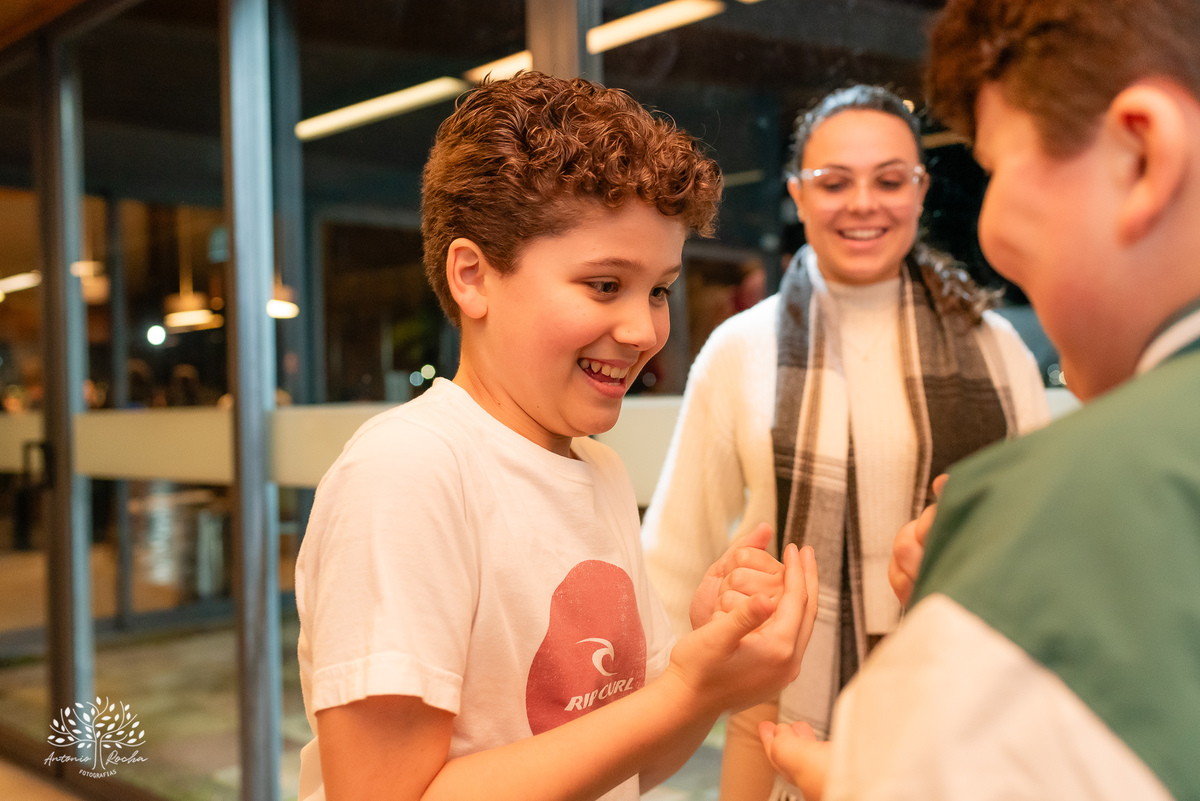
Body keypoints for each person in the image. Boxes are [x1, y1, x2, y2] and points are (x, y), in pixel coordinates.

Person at [294, 71, 821, 801]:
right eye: (605, 285)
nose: (643, 330)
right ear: (473, 276)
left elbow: (631, 763)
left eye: (659, 290)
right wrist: (686, 690)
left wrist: (705, 675)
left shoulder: (598, 471)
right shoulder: (408, 472)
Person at [759, 1, 1200, 799]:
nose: (990, 227)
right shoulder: (744, 348)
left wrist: (855, 777)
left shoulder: (1046, 497)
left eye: (994, 167)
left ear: (1142, 154)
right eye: (835, 181)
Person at [641, 85, 1049, 801]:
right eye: (834, 182)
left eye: (889, 180)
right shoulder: (741, 348)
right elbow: (675, 556)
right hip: (777, 715)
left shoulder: (997, 350)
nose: (864, 203)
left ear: (920, 191)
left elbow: (1046, 538)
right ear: (798, 195)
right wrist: (647, 721)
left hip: (961, 710)